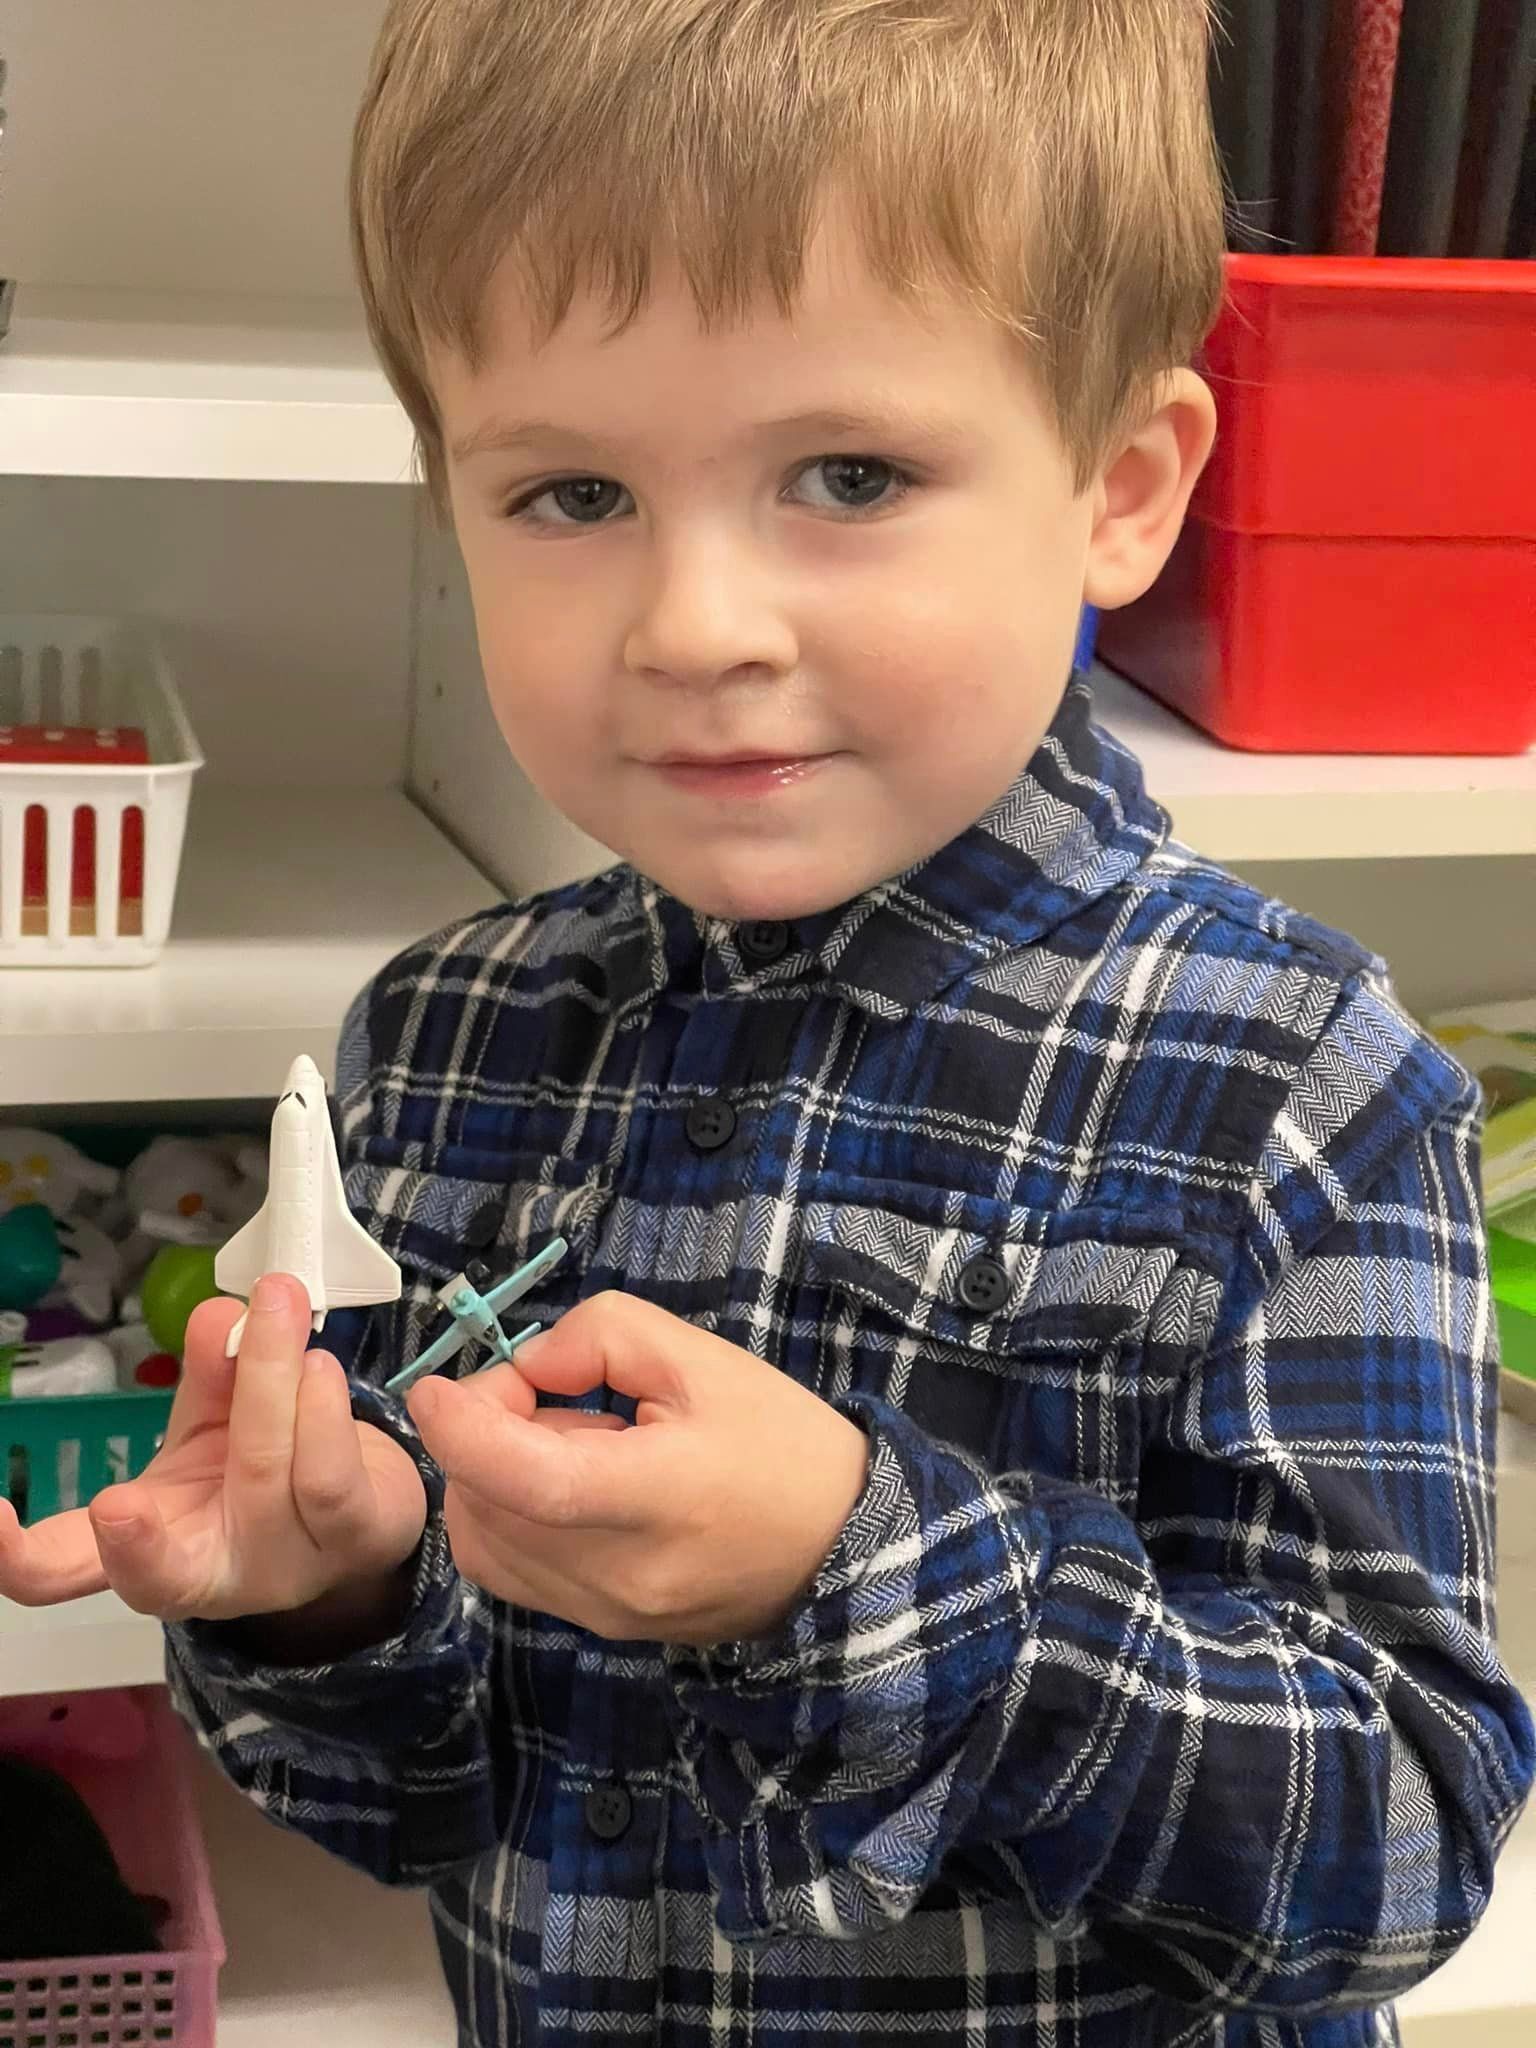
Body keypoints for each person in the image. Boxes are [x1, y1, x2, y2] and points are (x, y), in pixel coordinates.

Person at [3, 4, 1530, 2042]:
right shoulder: (439, 1048)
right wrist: (341, 1591)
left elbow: (1395, 1849)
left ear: (1121, 485)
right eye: (569, 495)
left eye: (848, 471)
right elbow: (417, 1797)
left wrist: (853, 1566)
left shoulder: (1297, 1089)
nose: (695, 623)